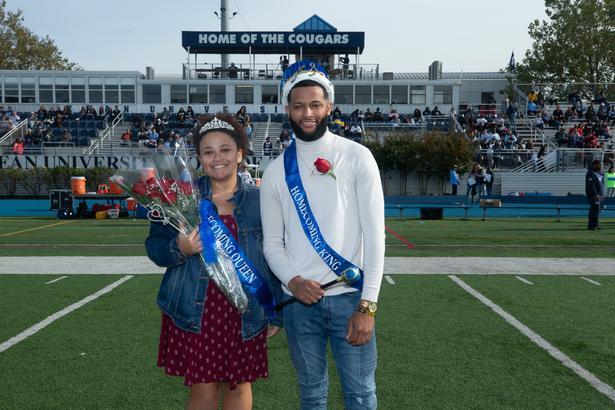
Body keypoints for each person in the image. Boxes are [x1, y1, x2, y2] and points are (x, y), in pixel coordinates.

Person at [260, 60, 384, 409]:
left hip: (350, 300)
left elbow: (375, 237)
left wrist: (367, 306)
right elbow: (272, 243)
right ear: (287, 110)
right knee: (312, 396)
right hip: (300, 305)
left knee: (360, 394)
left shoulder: (358, 157)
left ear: (329, 106)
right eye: (299, 106)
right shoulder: (274, 172)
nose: (308, 113)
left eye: (315, 104)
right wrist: (294, 281)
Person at [145, 113, 282, 409]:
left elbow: (275, 257)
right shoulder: (179, 198)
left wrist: (275, 310)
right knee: (203, 391)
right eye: (208, 151)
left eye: (225, 150)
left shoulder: (262, 201)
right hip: (198, 310)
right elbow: (155, 249)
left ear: (240, 154)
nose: (217, 158)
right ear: (199, 158)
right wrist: (179, 247)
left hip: (246, 311)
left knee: (239, 387)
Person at [585, 159, 604, 230]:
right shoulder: (590, 173)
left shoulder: (599, 173)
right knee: (594, 209)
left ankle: (595, 224)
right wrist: (596, 194)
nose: (601, 166)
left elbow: (601, 184)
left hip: (599, 195)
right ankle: (592, 225)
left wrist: (602, 194)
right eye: (599, 165)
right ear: (595, 165)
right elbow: (591, 185)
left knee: (597, 210)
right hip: (593, 195)